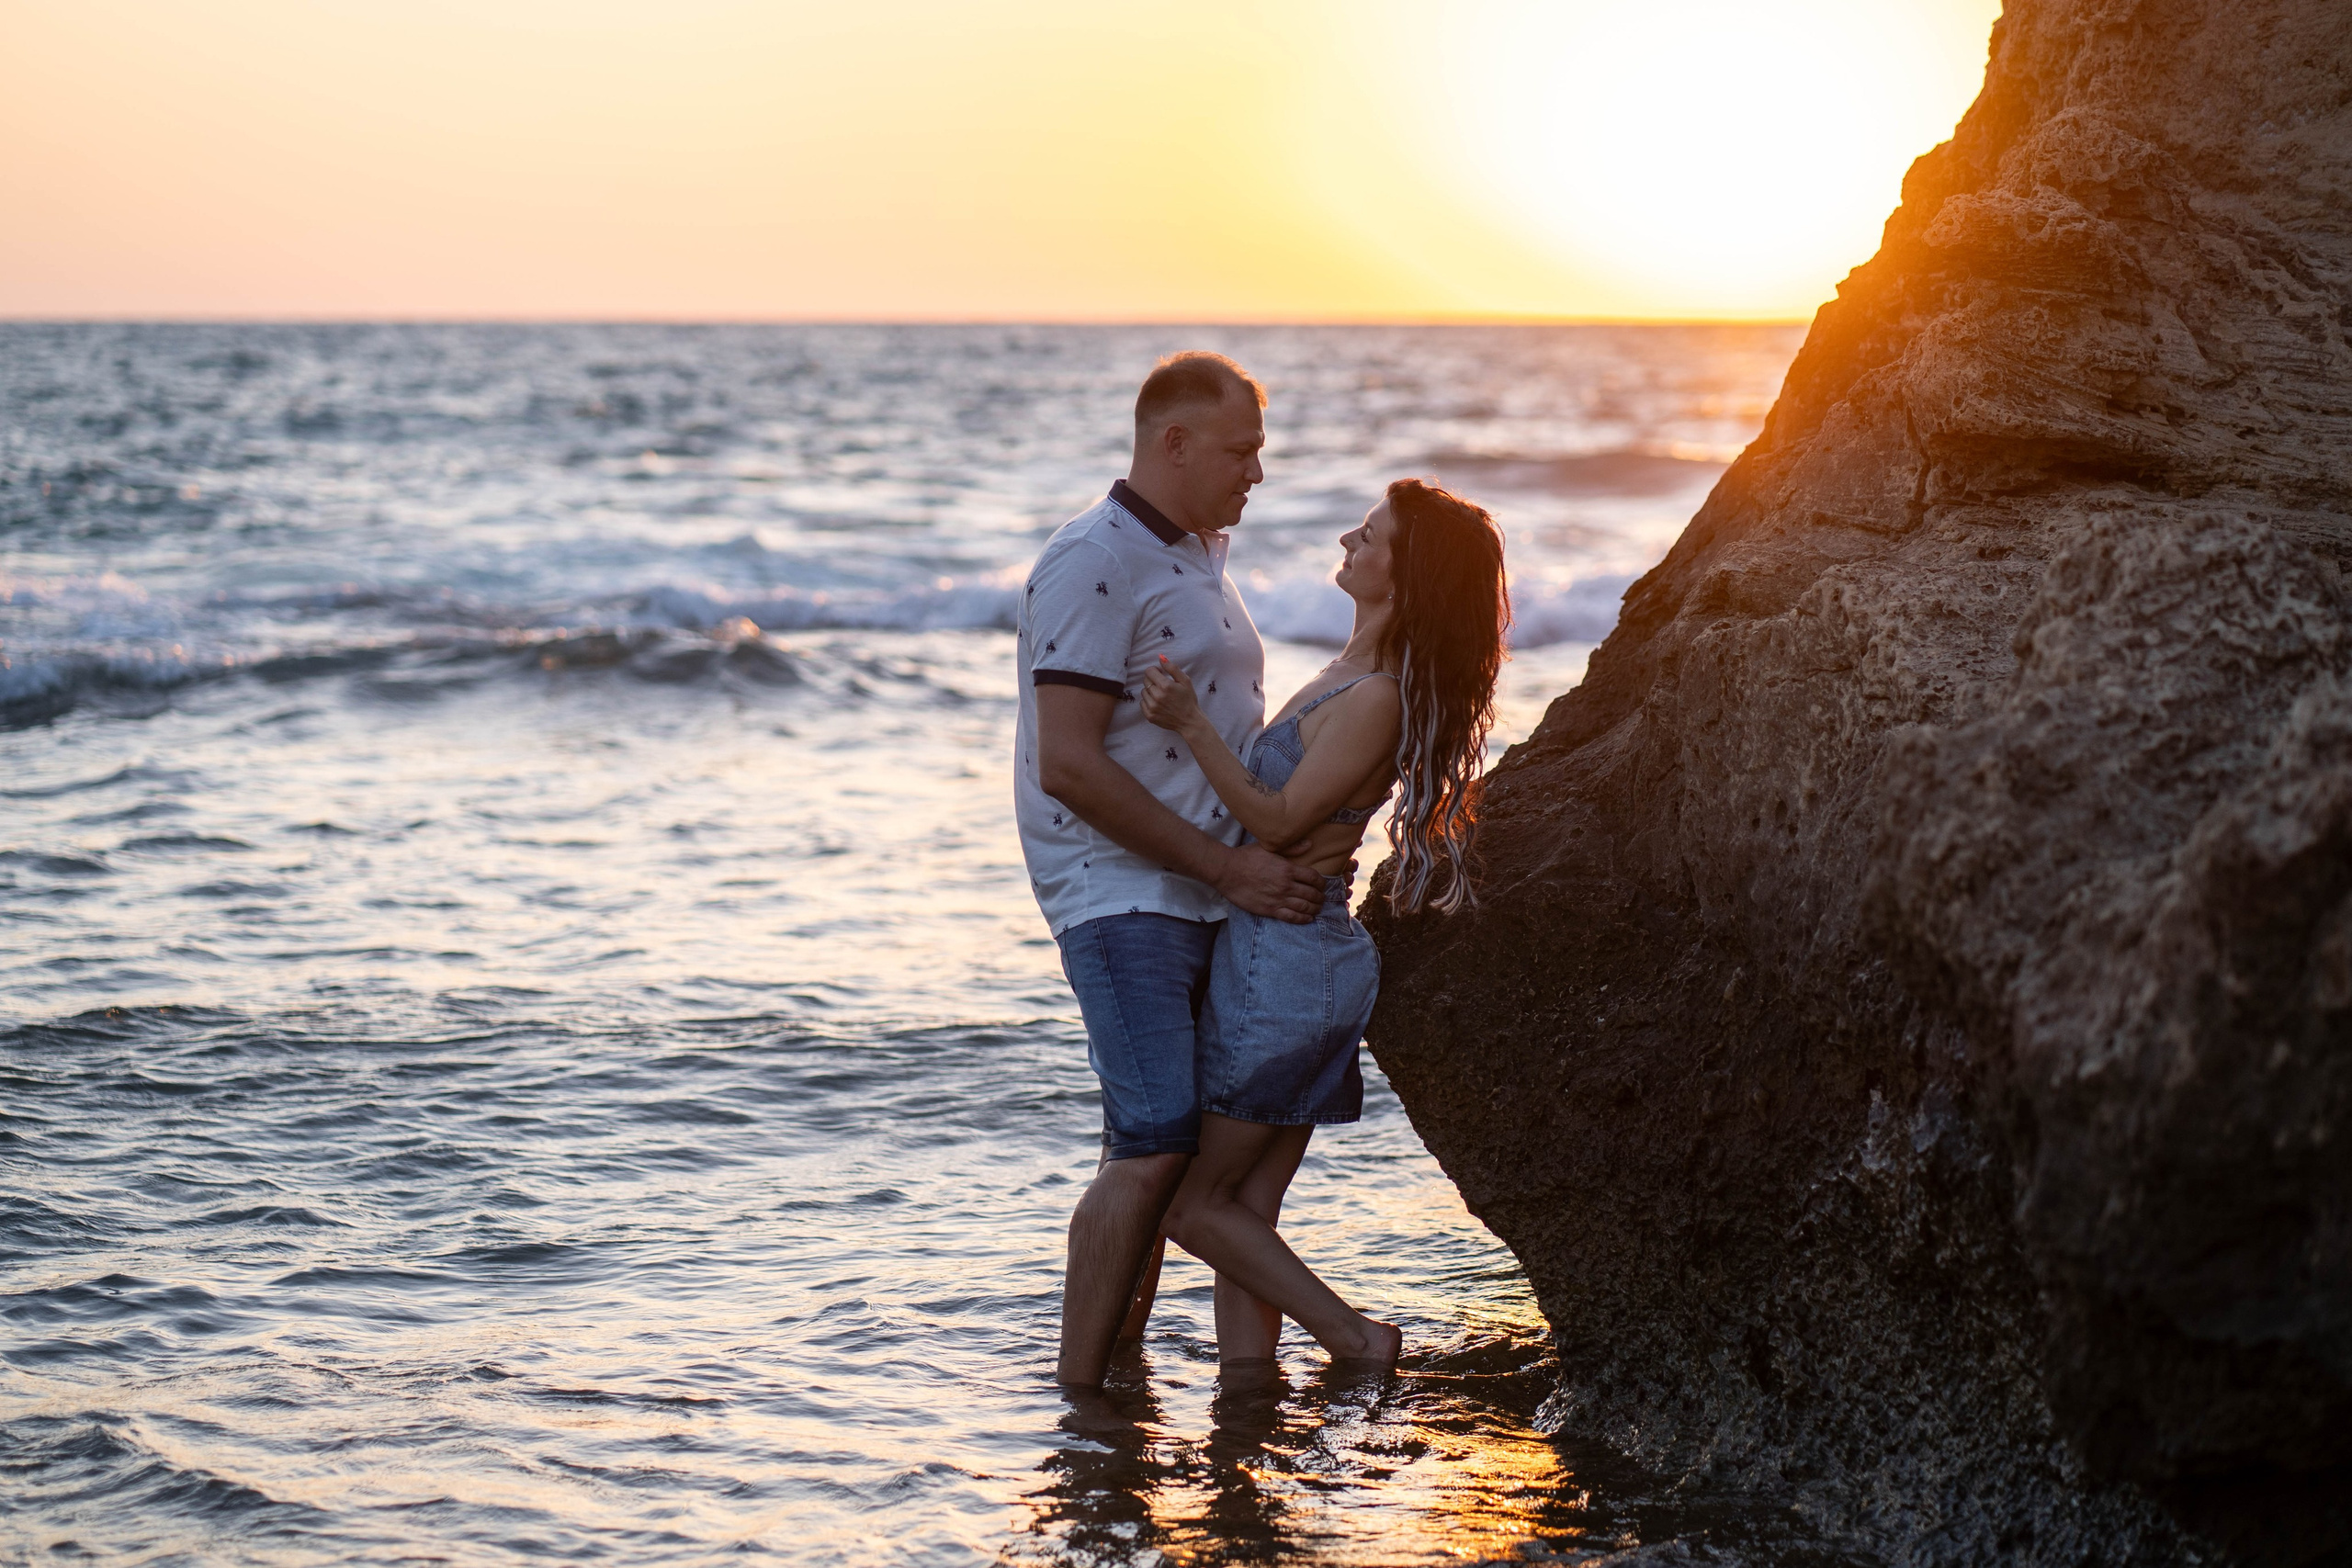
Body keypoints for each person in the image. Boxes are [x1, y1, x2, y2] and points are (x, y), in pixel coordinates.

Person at [1137, 478, 1510, 1369]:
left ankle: (1355, 1338)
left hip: (1288, 965)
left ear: (1405, 573)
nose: (1348, 537)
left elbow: (1278, 822)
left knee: (1191, 1205)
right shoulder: (1348, 675)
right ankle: (1247, 1397)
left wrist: (1191, 723)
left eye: (1371, 535)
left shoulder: (1375, 695)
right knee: (1245, 1214)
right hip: (1290, 958)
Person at [1015, 351, 1328, 1391]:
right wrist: (1227, 870)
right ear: (1173, 442)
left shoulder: (1200, 554)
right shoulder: (1094, 556)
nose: (1256, 472)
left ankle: (1120, 1380)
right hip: (1120, 887)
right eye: (1241, 451)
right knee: (1153, 1146)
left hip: (1196, 888)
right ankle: (1080, 1401)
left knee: (1153, 1151)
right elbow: (1066, 761)